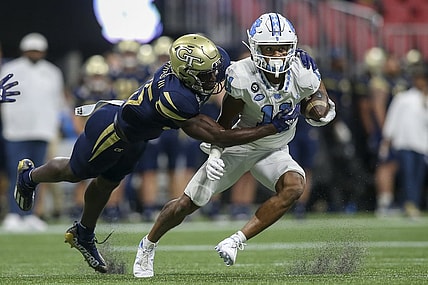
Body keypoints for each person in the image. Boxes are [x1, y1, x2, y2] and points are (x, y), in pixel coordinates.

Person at [13, 33, 306, 273]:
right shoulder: (176, 98)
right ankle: (30, 176)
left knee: (108, 182)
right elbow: (219, 135)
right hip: (113, 129)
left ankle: (83, 233)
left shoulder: (200, 66)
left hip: (139, 136)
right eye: (206, 75)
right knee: (78, 172)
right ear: (187, 73)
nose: (214, 78)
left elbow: (229, 75)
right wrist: (270, 128)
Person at [132, 13, 336, 278]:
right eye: (269, 49)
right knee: (188, 203)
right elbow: (224, 124)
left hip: (274, 149)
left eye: (282, 48)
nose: (276, 55)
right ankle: (148, 244)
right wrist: (216, 153)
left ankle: (236, 240)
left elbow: (319, 97)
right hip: (238, 146)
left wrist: (323, 108)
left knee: (295, 186)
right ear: (254, 48)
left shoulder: (304, 71)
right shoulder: (240, 75)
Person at [1, 33, 65, 232]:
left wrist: (55, 124)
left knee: (35, 174)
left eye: (38, 50)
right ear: (24, 50)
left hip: (43, 129)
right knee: (15, 171)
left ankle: (30, 214)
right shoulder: (10, 69)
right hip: (16, 129)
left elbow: (57, 100)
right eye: (31, 50)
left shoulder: (52, 72)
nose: (35, 54)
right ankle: (13, 214)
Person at [380, 63, 428, 218]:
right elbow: (392, 118)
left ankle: (412, 203)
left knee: (418, 176)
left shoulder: (425, 100)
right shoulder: (404, 98)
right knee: (408, 175)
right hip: (405, 143)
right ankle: (408, 204)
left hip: (422, 145)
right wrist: (387, 139)